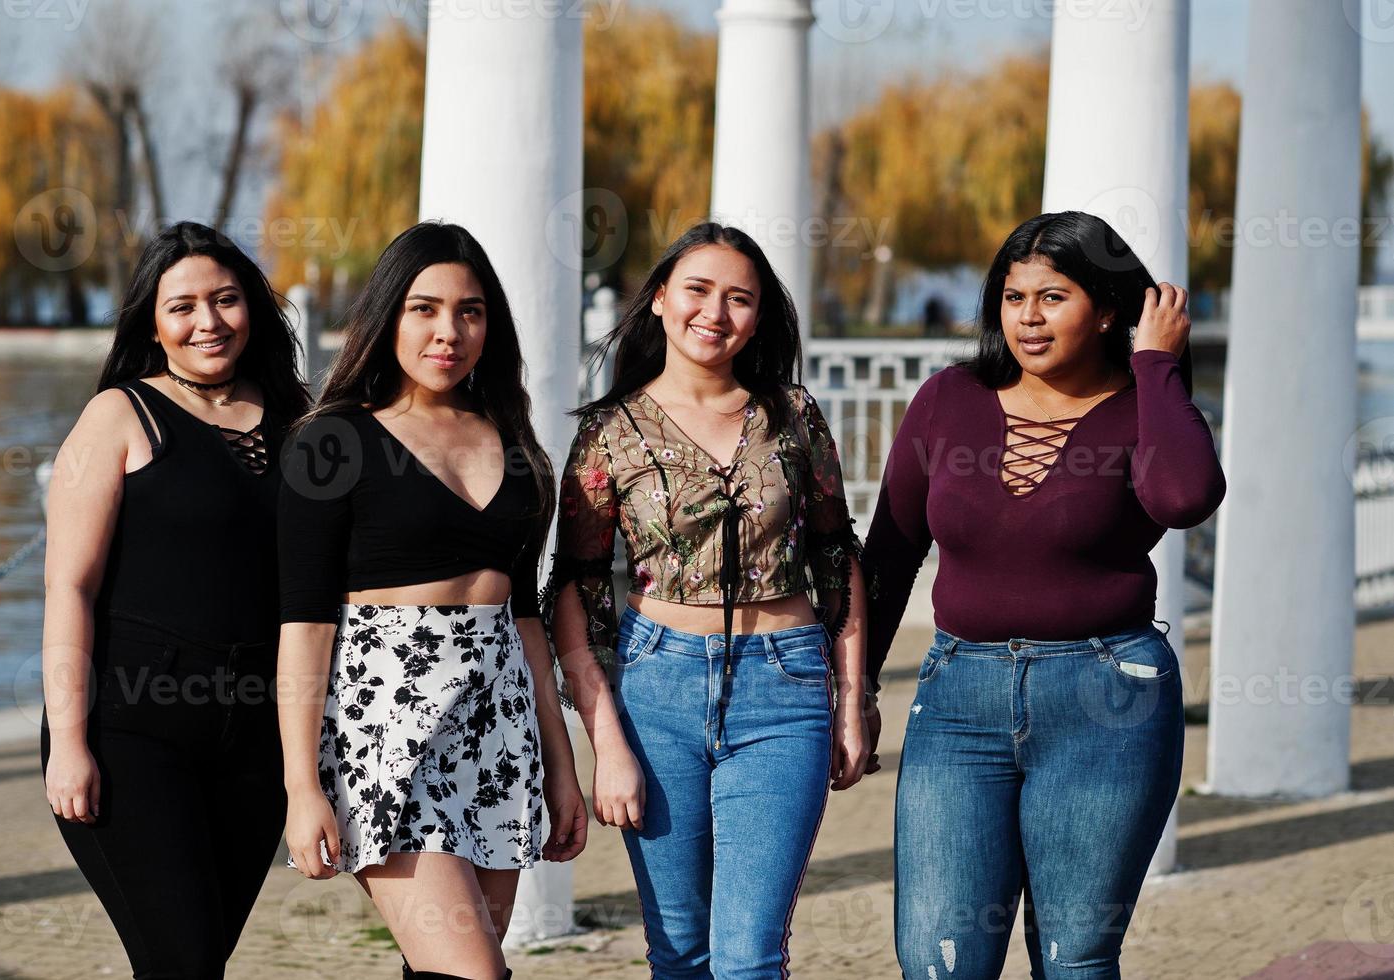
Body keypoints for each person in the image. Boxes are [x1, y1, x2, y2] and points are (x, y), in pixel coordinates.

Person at [863, 210, 1226, 979]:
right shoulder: (947, 399)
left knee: (1074, 958)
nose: (1026, 317)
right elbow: (889, 554)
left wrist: (1157, 364)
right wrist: (853, 688)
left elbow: (1184, 496)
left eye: (1052, 297)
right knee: (938, 958)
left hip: (1107, 701)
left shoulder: (1141, 409)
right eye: (1012, 295)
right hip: (957, 699)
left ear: (1105, 311)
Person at [546, 222, 869, 978]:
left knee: (750, 955)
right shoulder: (607, 432)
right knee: (679, 950)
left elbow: (835, 552)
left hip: (783, 684)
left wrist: (852, 700)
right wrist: (607, 742)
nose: (714, 312)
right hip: (656, 685)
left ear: (759, 317)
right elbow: (577, 584)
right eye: (697, 290)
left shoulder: (792, 414)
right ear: (659, 298)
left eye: (739, 299)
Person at [276, 222, 586, 980]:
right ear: (387, 317)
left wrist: (560, 760)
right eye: (424, 308)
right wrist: (300, 786)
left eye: (470, 311)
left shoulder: (513, 441)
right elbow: (305, 624)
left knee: (453, 970)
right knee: (470, 974)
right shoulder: (332, 440)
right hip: (385, 731)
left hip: (497, 730)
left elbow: (525, 616)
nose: (448, 331)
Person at [40, 221, 309, 978]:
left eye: (225, 300)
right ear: (151, 323)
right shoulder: (118, 416)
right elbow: (69, 585)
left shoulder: (301, 419)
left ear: (251, 308)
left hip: (258, 731)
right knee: (182, 959)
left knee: (199, 958)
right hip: (133, 728)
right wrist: (68, 743)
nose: (207, 322)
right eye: (183, 306)